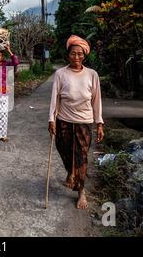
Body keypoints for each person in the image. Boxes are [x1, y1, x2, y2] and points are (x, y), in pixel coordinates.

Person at [48, 35, 104, 210]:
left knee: (81, 156)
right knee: (64, 150)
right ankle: (70, 172)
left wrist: (99, 123)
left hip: (84, 122)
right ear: (68, 55)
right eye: (73, 54)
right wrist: (51, 119)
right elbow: (54, 98)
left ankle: (81, 191)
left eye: (80, 54)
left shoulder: (92, 75)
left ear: (84, 56)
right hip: (63, 119)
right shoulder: (60, 74)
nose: (76, 57)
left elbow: (97, 101)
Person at [0, 43, 20, 142]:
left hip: (3, 93)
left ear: (2, 56)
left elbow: (16, 62)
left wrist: (9, 50)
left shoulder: (5, 64)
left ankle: (3, 134)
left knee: (2, 114)